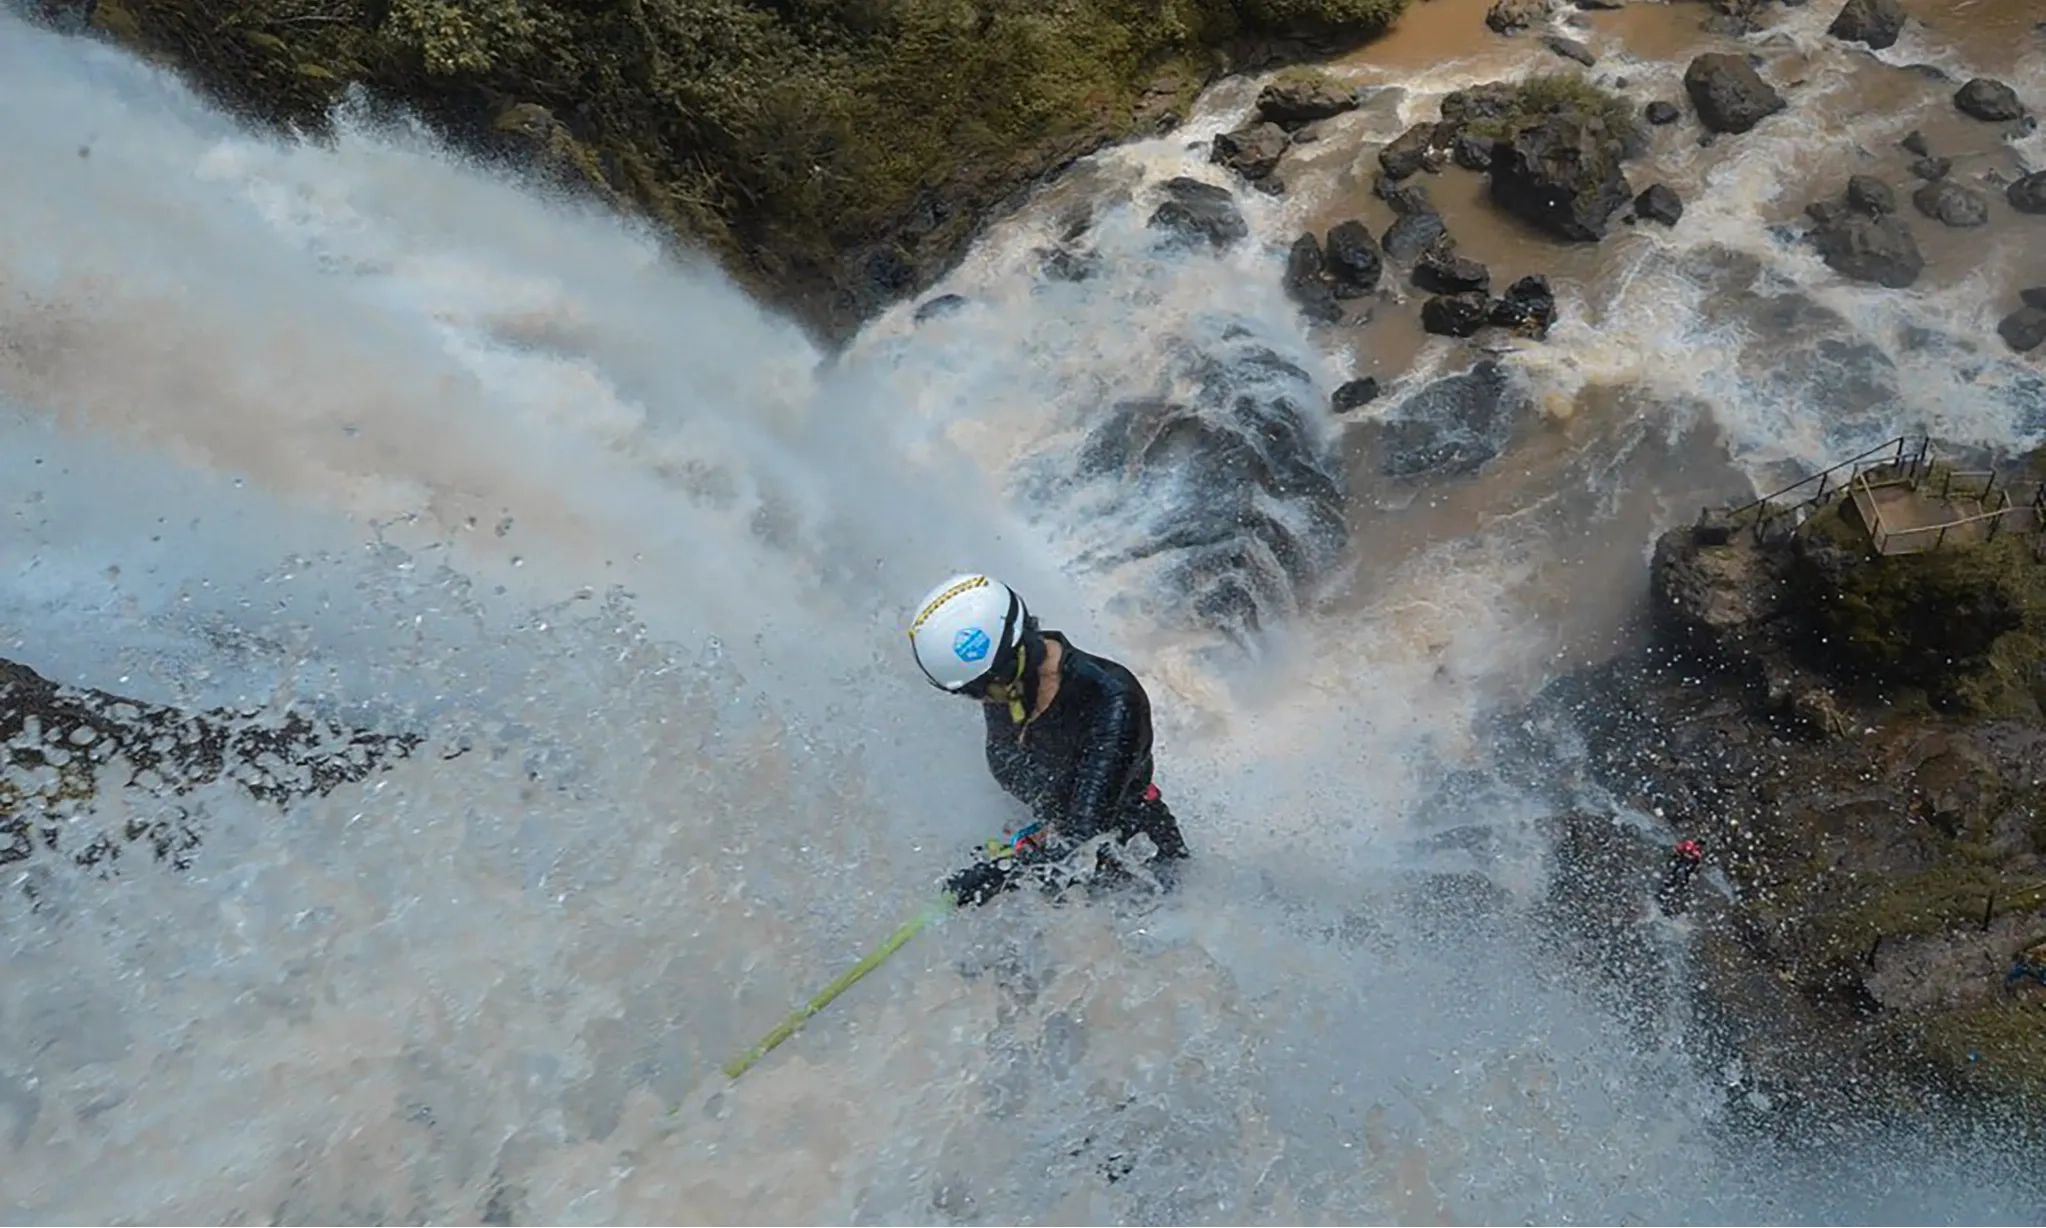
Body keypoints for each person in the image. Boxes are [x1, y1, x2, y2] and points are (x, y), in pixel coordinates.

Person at [906, 572, 1189, 907]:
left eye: (982, 689)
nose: (981, 701)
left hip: (1141, 869)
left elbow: (1084, 841)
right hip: (1051, 853)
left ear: (1013, 659)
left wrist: (999, 875)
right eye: (968, 693)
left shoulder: (1113, 699)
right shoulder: (1008, 689)